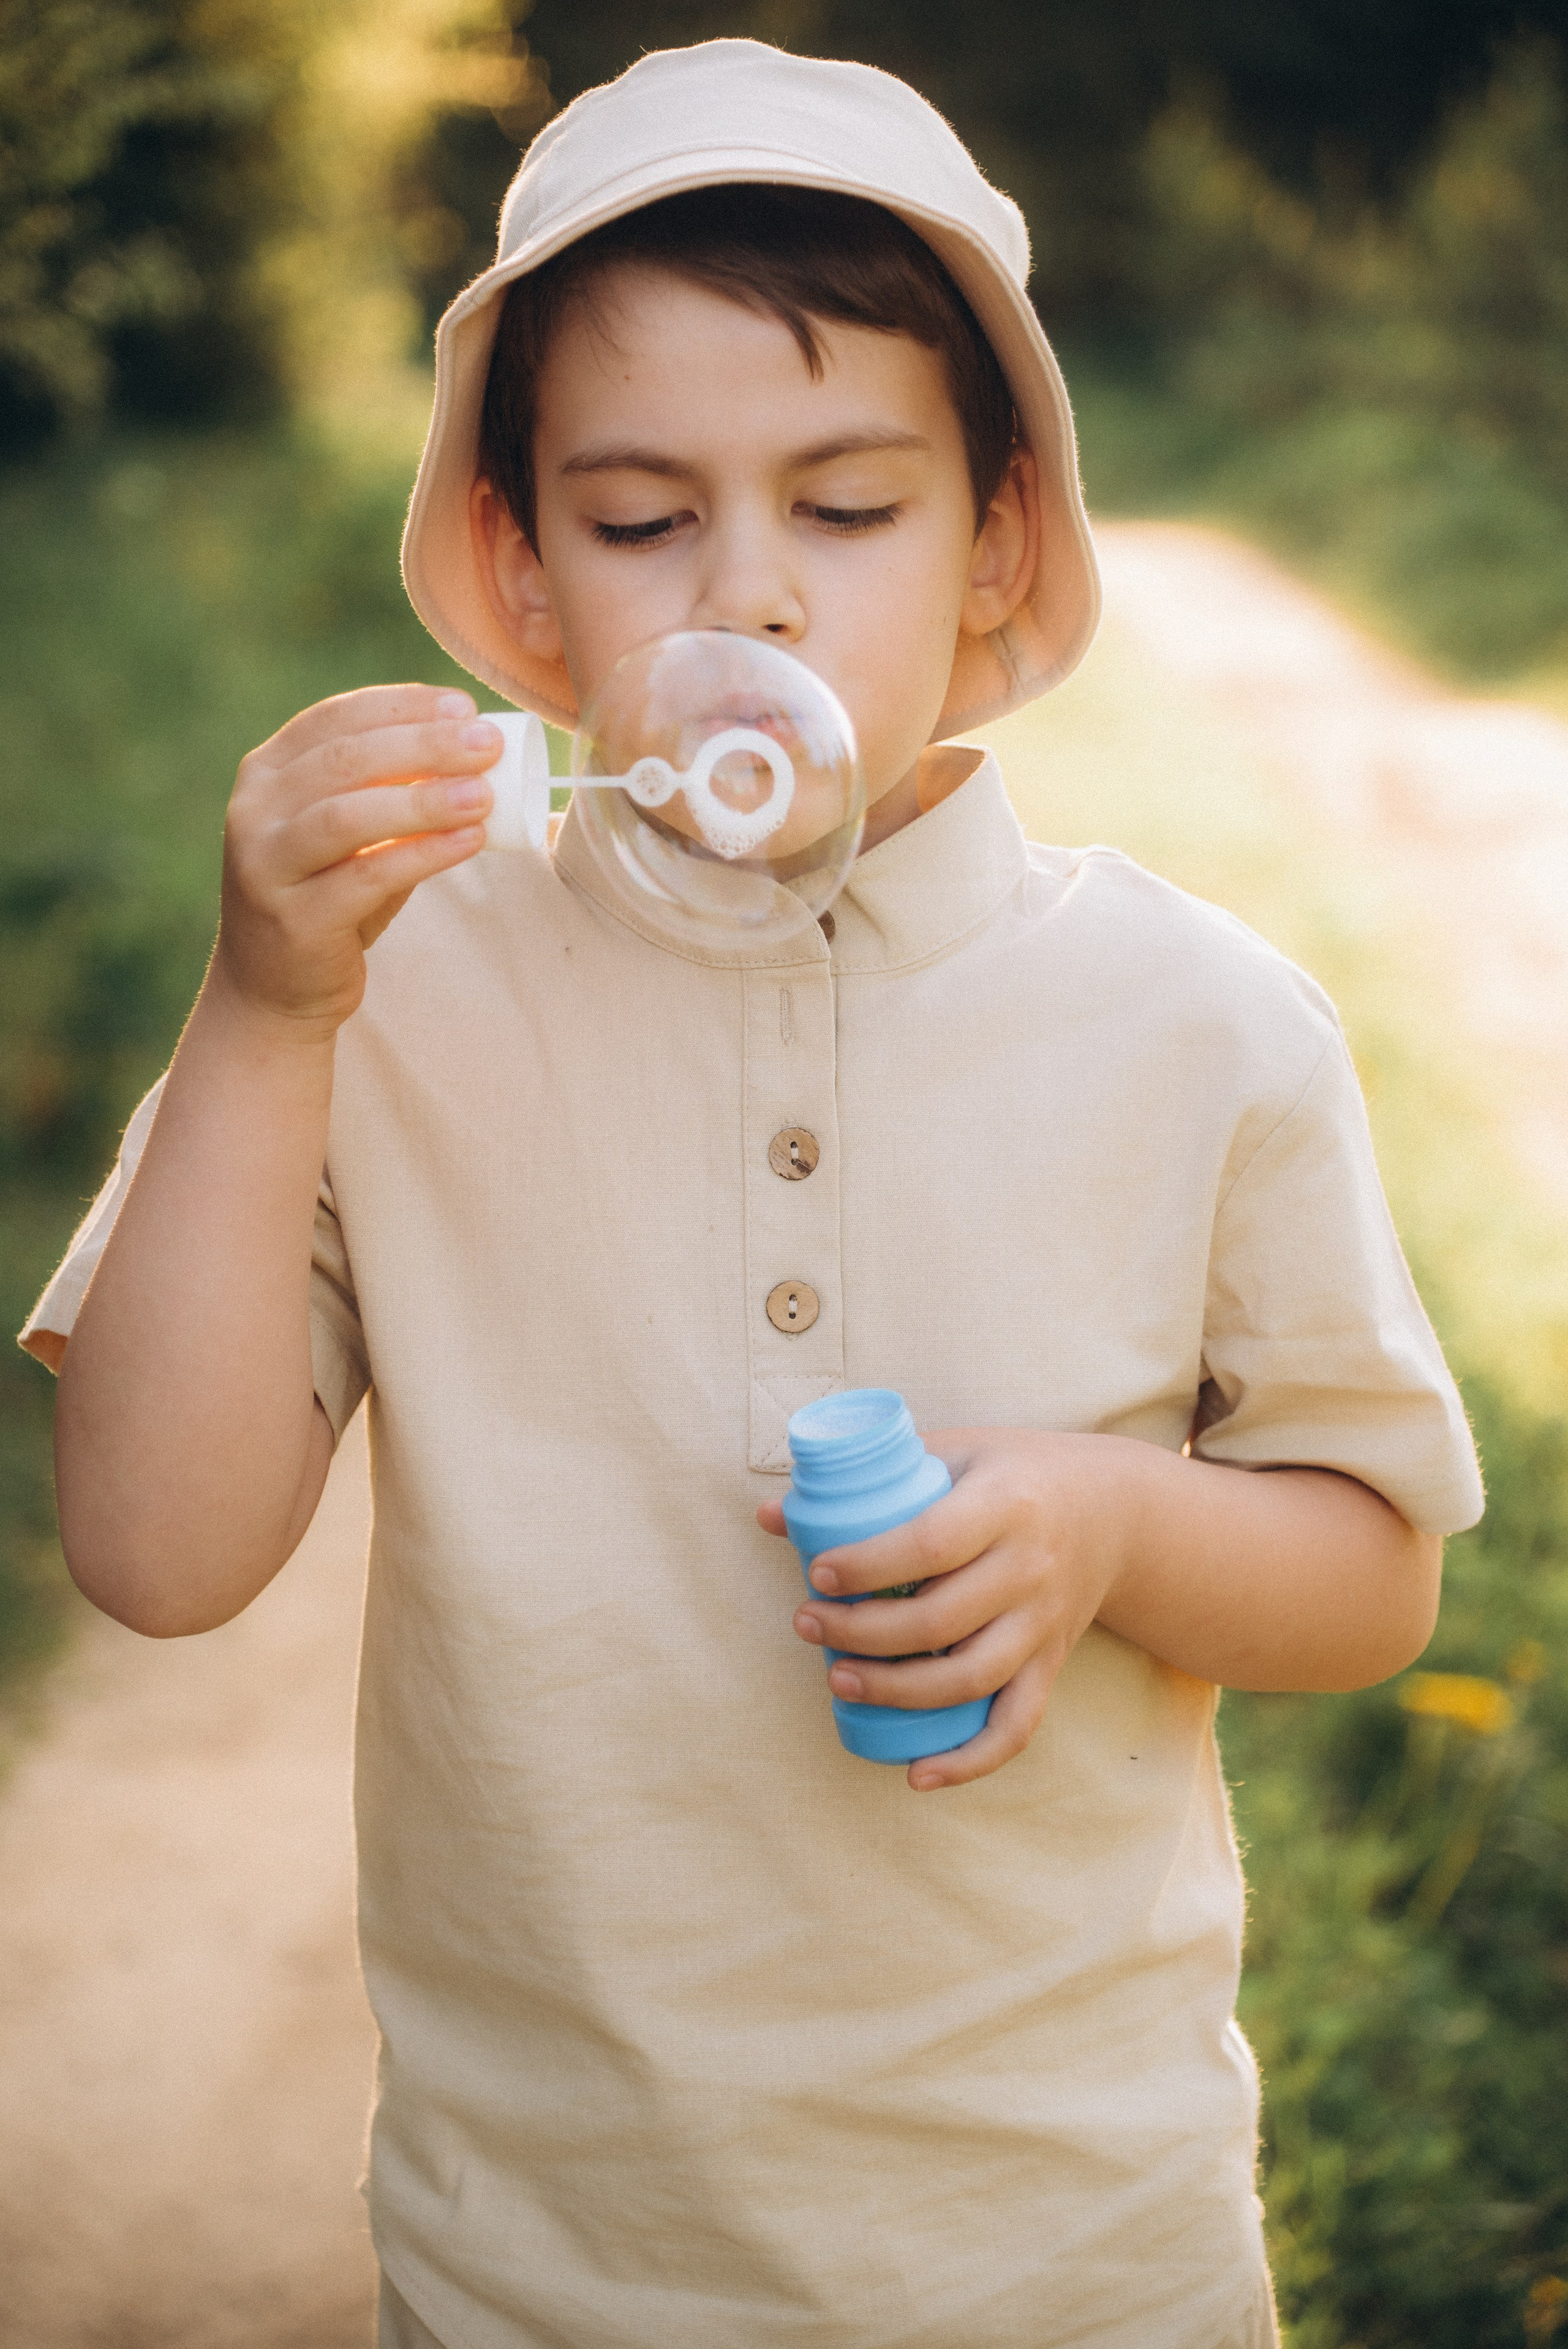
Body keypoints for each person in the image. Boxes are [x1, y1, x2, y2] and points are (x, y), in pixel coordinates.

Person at [21, 39, 1483, 2349]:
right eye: (639, 521)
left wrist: (1111, 1522)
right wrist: (263, 1006)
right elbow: (158, 1552)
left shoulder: (1202, 1027)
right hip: (538, 2280)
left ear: (999, 534)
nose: (751, 600)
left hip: (1083, 2263)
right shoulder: (387, 991)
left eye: (848, 505)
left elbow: (1373, 1574)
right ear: (514, 575)